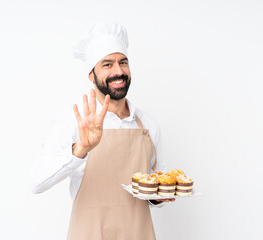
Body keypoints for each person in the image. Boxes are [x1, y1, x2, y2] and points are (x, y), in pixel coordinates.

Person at [30, 22, 174, 240]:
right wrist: (80, 149)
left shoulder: (148, 125)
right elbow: (36, 182)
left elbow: (154, 188)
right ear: (91, 75)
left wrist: (158, 196)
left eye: (123, 62)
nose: (118, 71)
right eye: (107, 64)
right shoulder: (73, 120)